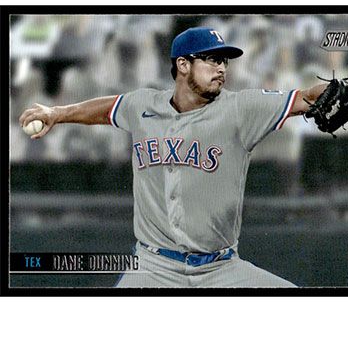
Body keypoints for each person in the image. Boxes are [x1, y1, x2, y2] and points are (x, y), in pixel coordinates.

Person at [19, 27, 328, 288]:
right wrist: (57, 113)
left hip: (220, 269)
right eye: (211, 59)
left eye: (224, 61)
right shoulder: (143, 105)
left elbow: (305, 98)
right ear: (183, 64)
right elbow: (107, 108)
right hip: (152, 267)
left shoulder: (240, 108)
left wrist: (330, 89)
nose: (221, 68)